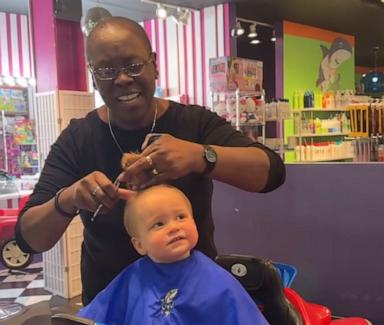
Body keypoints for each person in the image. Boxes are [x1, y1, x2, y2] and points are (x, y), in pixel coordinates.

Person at [15, 16, 286, 305]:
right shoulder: (78, 139)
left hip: (193, 301)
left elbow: (271, 172)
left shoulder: (194, 123)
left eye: (133, 65)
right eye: (106, 70)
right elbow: (29, 239)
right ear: (93, 76)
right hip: (114, 311)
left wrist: (200, 156)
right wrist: (67, 199)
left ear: (154, 65)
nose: (122, 79)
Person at [52, 185, 291, 325]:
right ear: (139, 244)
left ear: (195, 223)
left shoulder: (216, 281)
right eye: (159, 224)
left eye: (181, 217)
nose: (174, 227)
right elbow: (93, 321)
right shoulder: (132, 278)